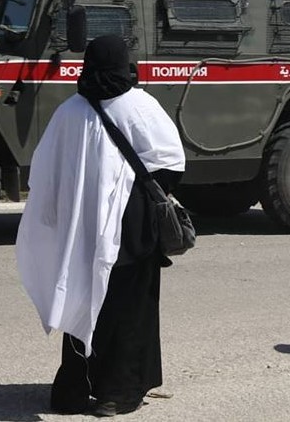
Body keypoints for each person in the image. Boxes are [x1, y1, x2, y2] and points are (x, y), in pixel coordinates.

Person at [15, 35, 185, 417]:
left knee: (81, 300)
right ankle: (118, 394)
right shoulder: (140, 105)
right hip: (131, 230)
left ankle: (72, 392)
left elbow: (46, 174)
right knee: (130, 311)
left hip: (80, 232)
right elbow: (172, 164)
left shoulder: (69, 111)